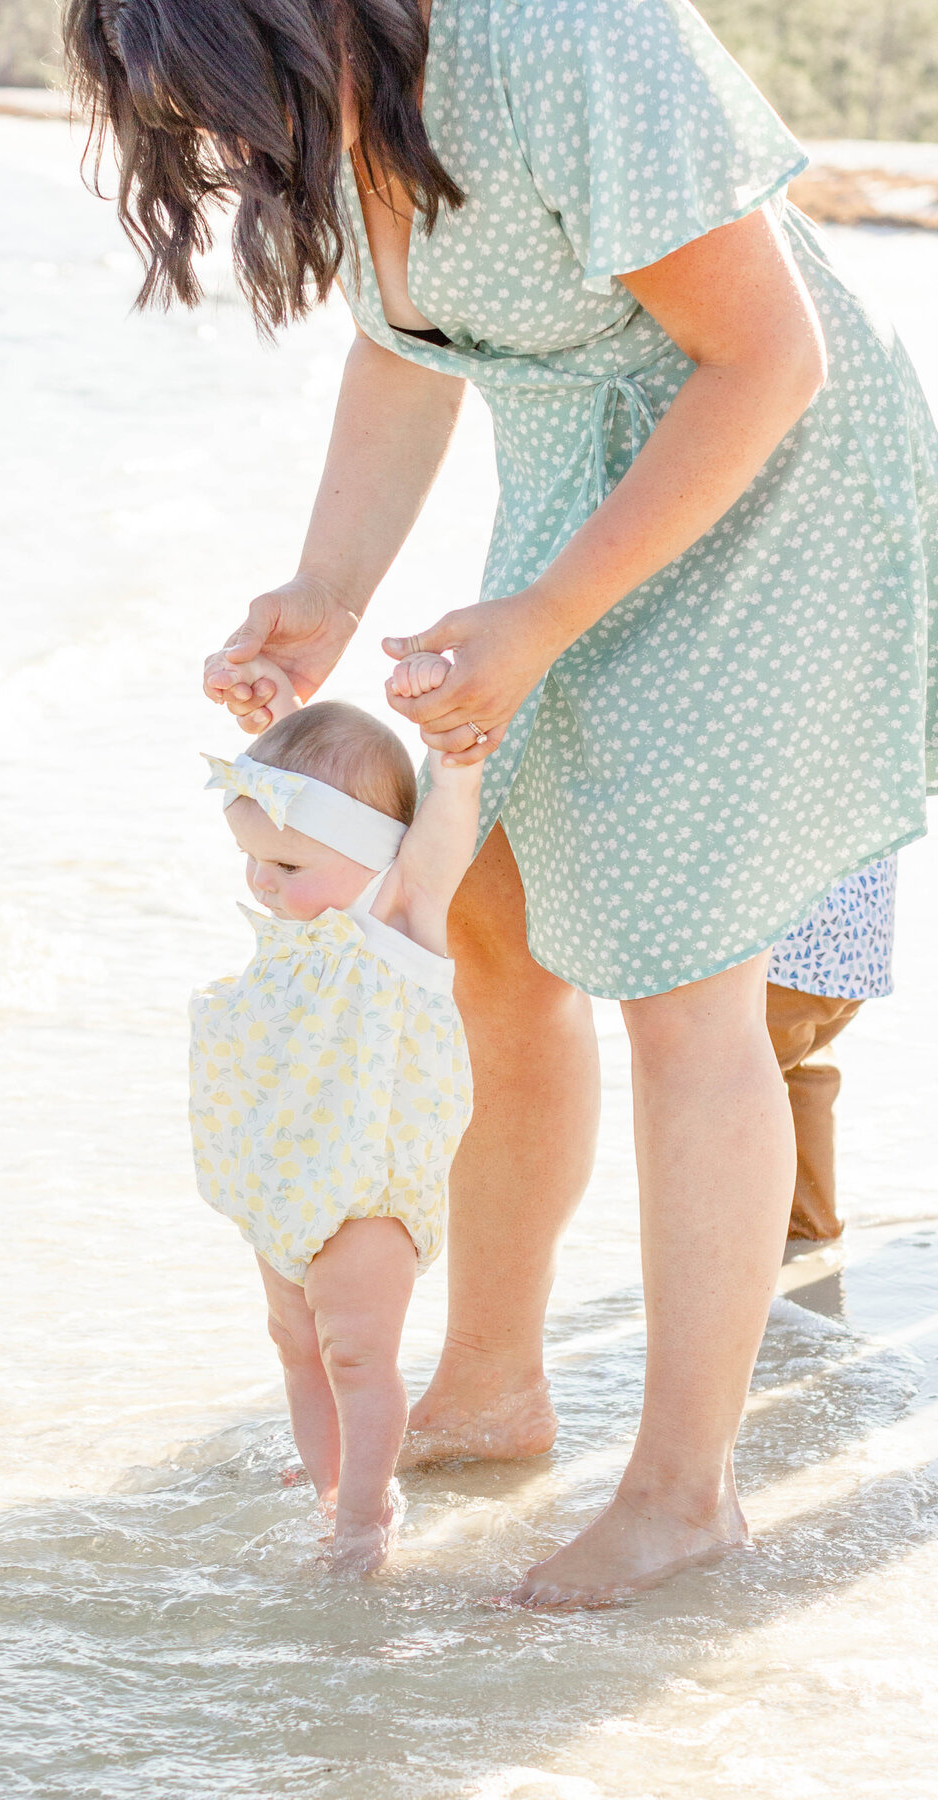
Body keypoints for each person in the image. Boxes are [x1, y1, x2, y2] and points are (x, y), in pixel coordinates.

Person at [67, 0, 938, 1605]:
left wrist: (541, 618)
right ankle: (490, 1384)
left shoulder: (564, 40)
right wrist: (326, 593)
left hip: (767, 487)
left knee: (690, 978)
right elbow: (409, 349)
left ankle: (687, 1493)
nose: (238, 148)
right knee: (489, 918)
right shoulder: (343, 93)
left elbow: (771, 356)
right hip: (584, 491)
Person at [190, 651, 478, 1572]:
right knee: (296, 1347)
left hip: (366, 1194)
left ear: (372, 854)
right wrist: (285, 716)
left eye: (285, 863)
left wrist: (458, 767)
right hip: (283, 1186)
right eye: (251, 859)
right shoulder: (291, 938)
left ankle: (365, 1521)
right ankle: (328, 1491)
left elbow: (433, 843)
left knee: (357, 1355)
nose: (262, 883)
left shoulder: (395, 920)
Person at [768, 856, 898, 1244]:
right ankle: (812, 1232)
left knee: (716, 1092)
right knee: (805, 1068)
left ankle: (719, 1265)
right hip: (857, 950)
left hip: (783, 950)